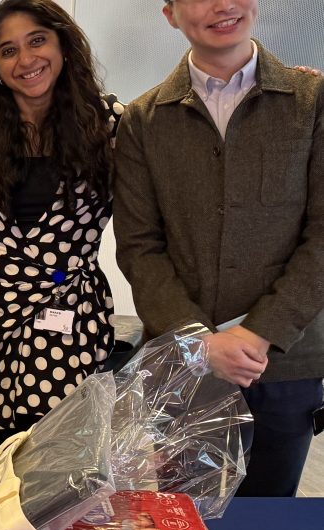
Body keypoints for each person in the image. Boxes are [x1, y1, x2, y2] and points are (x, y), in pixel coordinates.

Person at [114, 0, 324, 497]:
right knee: (183, 518)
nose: (222, 5)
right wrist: (200, 343)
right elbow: (140, 247)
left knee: (271, 515)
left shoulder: (311, 101)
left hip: (285, 362)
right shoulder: (143, 119)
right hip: (184, 365)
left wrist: (260, 333)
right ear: (170, 14)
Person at [0, 0, 122, 455]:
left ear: (63, 45)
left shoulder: (110, 124)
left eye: (37, 41)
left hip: (68, 316)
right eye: (8, 50)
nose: (26, 60)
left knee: (57, 465)